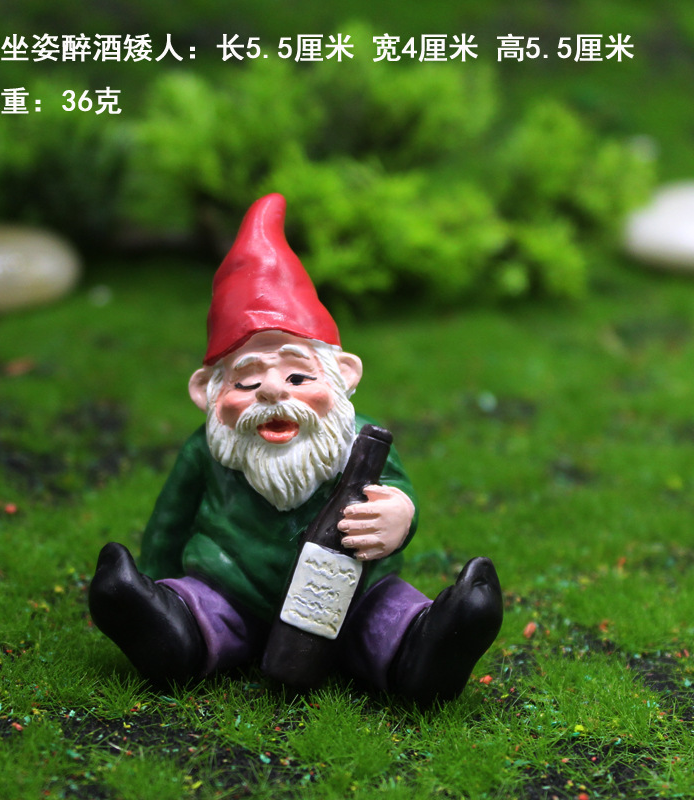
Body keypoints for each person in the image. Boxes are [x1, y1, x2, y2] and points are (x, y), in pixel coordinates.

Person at [89, 193, 503, 705]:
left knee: (385, 618)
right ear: (205, 393)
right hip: (229, 588)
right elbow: (170, 519)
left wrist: (398, 515)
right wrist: (155, 578)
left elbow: (397, 489)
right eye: (246, 382)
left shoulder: (360, 444)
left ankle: (430, 649)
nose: (270, 391)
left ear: (344, 376)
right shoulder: (207, 451)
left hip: (352, 593)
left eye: (298, 377)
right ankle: (162, 627)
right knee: (197, 614)